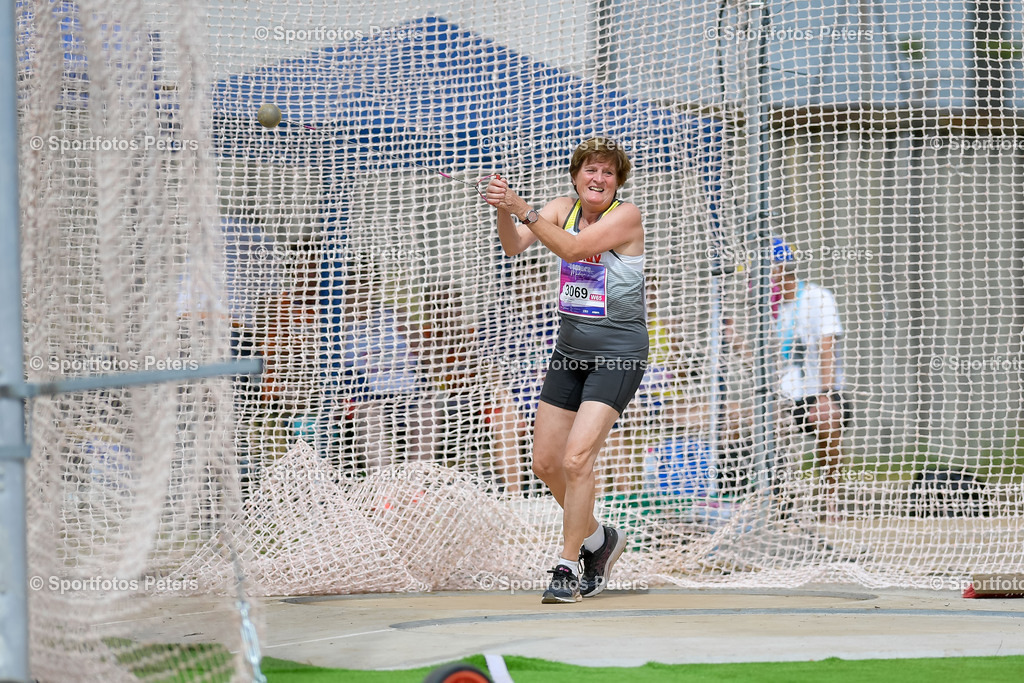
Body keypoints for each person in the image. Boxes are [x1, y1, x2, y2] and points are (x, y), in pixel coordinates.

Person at [484, 137, 648, 603]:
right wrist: (503, 205)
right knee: (546, 464)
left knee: (578, 460)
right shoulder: (560, 207)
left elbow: (574, 251)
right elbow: (515, 245)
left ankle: (566, 564)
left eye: (608, 173)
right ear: (575, 175)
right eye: (590, 171)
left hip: (618, 354)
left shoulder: (626, 216)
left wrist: (521, 206)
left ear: (618, 182)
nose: (598, 179)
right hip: (570, 352)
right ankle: (599, 541)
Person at [771, 238, 850, 520]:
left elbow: (827, 347)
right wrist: (734, 337)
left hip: (817, 390)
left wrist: (825, 394)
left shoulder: (818, 298)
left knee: (828, 419)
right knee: (765, 424)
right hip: (783, 394)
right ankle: (780, 502)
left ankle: (831, 499)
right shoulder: (767, 307)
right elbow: (763, 360)